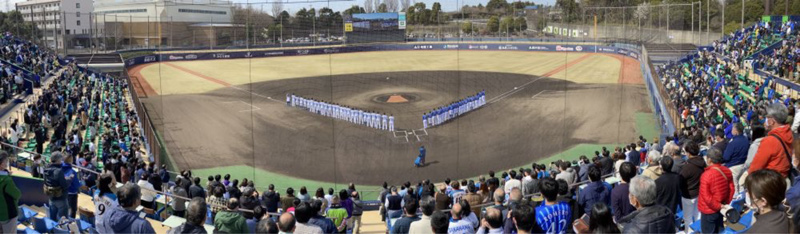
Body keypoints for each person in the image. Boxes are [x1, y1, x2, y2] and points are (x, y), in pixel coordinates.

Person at [750, 104, 794, 179]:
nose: (765, 121)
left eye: (766, 118)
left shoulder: (770, 141)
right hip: (782, 177)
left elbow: (755, 168)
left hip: (770, 181)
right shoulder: (789, 133)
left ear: (771, 122)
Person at [698, 148, 735, 233]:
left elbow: (706, 197)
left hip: (709, 210)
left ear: (709, 159)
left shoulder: (706, 175)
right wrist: (724, 203)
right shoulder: (727, 170)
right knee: (719, 230)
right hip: (721, 207)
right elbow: (732, 189)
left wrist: (719, 206)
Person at [745, 169, 790, 233]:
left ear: (763, 201)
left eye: (749, 192)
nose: (747, 194)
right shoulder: (786, 213)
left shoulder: (756, 231)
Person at [680, 140, 705, 227]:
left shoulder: (687, 167)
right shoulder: (703, 161)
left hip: (689, 196)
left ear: (689, 153)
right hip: (699, 193)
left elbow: (680, 182)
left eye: (686, 152)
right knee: (698, 215)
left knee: (688, 219)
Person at [723, 122, 749, 194]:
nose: (731, 131)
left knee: (734, 188)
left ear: (736, 131)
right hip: (743, 165)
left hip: (733, 167)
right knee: (741, 186)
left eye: (732, 129)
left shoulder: (733, 143)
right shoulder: (746, 140)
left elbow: (726, 157)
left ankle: (735, 202)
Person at [44, 152, 69, 221]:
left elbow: (46, 182)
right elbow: (64, 185)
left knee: (53, 218)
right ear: (58, 160)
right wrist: (69, 179)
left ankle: (53, 231)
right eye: (61, 159)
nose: (61, 161)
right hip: (60, 198)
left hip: (51, 197)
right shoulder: (59, 171)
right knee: (63, 220)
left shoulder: (46, 169)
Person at [0, 152, 20, 234]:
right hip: (8, 214)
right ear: (1, 164)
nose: (7, 162)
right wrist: (8, 177)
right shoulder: (6, 180)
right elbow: (17, 194)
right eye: (6, 161)